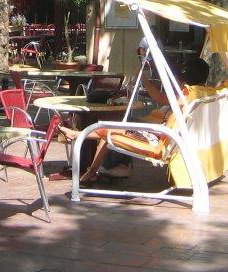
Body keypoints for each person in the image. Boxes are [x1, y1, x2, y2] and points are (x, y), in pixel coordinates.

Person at [60, 57, 211, 184]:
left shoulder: (186, 97)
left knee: (111, 127)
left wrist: (144, 80)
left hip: (158, 139)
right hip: (165, 136)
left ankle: (78, 137)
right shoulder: (199, 95)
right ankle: (96, 167)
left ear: (184, 80)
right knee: (115, 126)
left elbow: (160, 100)